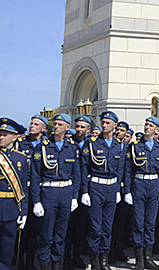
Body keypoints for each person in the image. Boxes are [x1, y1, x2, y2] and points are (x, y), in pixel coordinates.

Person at [31, 114, 81, 270]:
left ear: (67, 127)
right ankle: (45, 264)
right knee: (46, 233)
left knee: (61, 233)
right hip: (48, 192)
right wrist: (36, 201)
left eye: (60, 124)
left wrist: (74, 197)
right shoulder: (43, 147)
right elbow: (35, 175)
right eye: (55, 124)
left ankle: (57, 264)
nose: (56, 127)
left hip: (66, 192)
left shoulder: (72, 147)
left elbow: (76, 174)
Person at [80, 111, 125, 270]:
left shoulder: (119, 144)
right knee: (95, 226)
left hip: (112, 187)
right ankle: (94, 261)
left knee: (107, 225)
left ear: (115, 125)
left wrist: (119, 189)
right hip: (96, 186)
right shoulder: (91, 143)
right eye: (103, 122)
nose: (104, 125)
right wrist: (85, 191)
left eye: (107, 123)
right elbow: (84, 168)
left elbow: (120, 169)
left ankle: (104, 259)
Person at [124, 116, 159, 270]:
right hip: (139, 184)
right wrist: (127, 191)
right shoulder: (135, 146)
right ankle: (139, 259)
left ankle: (148, 257)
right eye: (146, 124)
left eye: (151, 125)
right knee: (138, 223)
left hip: (154, 184)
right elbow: (128, 170)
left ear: (156, 130)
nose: (147, 127)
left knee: (150, 223)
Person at [15, 114, 48, 269]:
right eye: (31, 123)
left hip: (40, 189)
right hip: (23, 188)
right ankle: (19, 260)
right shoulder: (20, 144)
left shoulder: (47, 145)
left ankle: (30, 262)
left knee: (36, 228)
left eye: (36, 124)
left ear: (43, 128)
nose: (31, 126)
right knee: (22, 227)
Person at [0, 118, 28, 270]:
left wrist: (23, 210)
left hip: (11, 207)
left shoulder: (21, 158)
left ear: (14, 136)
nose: (1, 137)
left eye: (5, 134)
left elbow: (23, 187)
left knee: (7, 246)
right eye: (0, 134)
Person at [65, 115, 92, 270]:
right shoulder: (69, 143)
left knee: (81, 224)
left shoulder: (92, 144)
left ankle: (77, 255)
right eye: (78, 126)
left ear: (88, 129)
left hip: (86, 188)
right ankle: (66, 256)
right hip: (70, 188)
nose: (79, 129)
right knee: (68, 223)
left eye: (83, 127)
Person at [109, 121, 132, 265]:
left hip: (125, 188)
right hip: (112, 188)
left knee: (121, 222)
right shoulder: (111, 146)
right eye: (117, 130)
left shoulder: (129, 148)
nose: (118, 132)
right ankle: (109, 251)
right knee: (110, 222)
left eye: (122, 130)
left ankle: (118, 248)